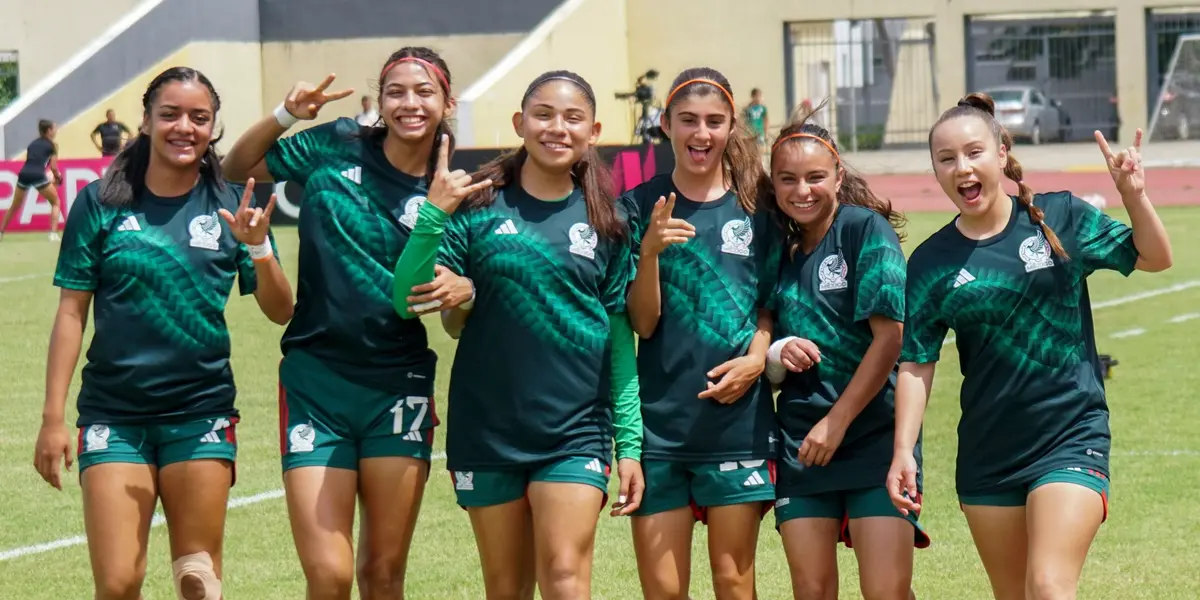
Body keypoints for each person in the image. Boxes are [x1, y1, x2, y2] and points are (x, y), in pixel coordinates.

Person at [888, 93, 1173, 600]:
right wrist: (903, 451)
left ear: (1002, 153)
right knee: (1014, 594)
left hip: (1069, 434)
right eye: (946, 159)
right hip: (988, 451)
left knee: (1047, 585)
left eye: (974, 152)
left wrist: (1134, 194)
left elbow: (1154, 257)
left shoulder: (1059, 215)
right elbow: (916, 362)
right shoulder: (931, 262)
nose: (962, 168)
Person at [220, 47, 475, 600]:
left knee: (382, 576)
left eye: (424, 91)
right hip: (316, 381)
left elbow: (453, 312)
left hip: (398, 384)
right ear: (378, 101)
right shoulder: (336, 144)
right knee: (330, 577)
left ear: (447, 101)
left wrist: (467, 288)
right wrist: (286, 115)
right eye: (397, 92)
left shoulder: (453, 192)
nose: (410, 103)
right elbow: (235, 167)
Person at [33, 66, 293, 600]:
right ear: (146, 122)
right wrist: (52, 419)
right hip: (113, 415)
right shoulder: (101, 203)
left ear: (213, 128)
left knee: (198, 579)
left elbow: (280, 310)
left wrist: (258, 247)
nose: (185, 127)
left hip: (200, 412)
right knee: (118, 583)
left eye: (199, 118)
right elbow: (70, 313)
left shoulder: (228, 205)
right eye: (170, 114)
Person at [391, 69, 644, 600]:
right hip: (488, 430)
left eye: (573, 118)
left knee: (566, 581)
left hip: (575, 431)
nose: (558, 128)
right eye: (544, 114)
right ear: (519, 122)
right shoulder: (477, 208)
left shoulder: (610, 221)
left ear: (593, 131)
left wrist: (630, 444)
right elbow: (408, 299)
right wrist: (434, 217)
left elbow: (620, 340)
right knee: (505, 589)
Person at [624, 67, 778, 600]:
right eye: (687, 120)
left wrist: (758, 358)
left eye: (715, 121)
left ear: (732, 125)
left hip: (737, 425)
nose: (701, 133)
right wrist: (648, 253)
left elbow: (769, 305)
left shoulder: (758, 206)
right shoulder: (638, 205)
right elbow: (643, 323)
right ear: (665, 124)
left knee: (734, 586)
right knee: (664, 592)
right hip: (660, 428)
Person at [763, 114, 927, 600]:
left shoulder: (864, 230)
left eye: (815, 177)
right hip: (802, 446)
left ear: (838, 174)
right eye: (788, 179)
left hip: (873, 440)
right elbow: (761, 331)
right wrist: (777, 352)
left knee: (887, 592)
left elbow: (891, 339)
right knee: (811, 591)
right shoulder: (781, 251)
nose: (802, 190)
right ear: (773, 185)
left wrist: (836, 422)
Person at [0, 119, 63, 241]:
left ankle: (1, 232)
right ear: (49, 131)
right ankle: (53, 234)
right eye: (54, 128)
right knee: (56, 202)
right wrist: (58, 178)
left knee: (15, 205)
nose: (56, 131)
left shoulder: (32, 144)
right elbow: (54, 167)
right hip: (38, 175)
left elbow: (33, 160)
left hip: (24, 174)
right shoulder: (53, 146)